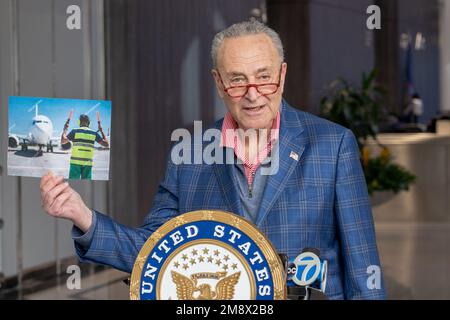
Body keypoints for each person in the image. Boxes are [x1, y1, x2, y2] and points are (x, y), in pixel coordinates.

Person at [41, 20, 386, 299]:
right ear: (218, 83)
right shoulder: (188, 155)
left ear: (282, 75)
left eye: (263, 78)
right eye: (237, 81)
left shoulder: (333, 145)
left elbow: (363, 269)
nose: (252, 95)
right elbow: (153, 252)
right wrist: (82, 216)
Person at [61, 114, 109, 180]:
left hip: (75, 163)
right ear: (89, 123)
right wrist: (101, 130)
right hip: (87, 164)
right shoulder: (94, 133)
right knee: (86, 185)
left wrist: (65, 129)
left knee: (73, 185)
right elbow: (106, 144)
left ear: (79, 122)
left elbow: (63, 141)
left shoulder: (74, 131)